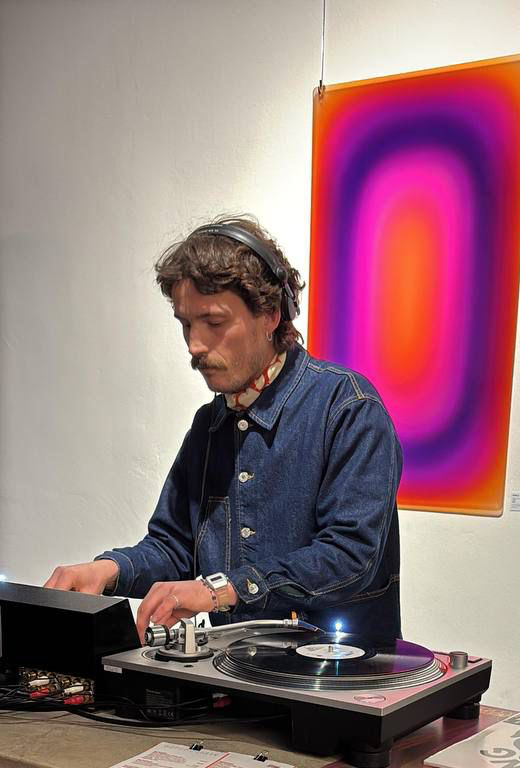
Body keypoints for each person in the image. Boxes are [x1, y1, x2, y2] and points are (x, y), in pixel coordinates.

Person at [45, 216, 403, 641]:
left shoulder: (348, 408)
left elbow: (350, 556)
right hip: (232, 671)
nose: (194, 345)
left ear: (270, 314)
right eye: (185, 324)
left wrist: (223, 590)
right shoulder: (208, 425)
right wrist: (108, 570)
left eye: (213, 323)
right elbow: (175, 546)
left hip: (342, 675)